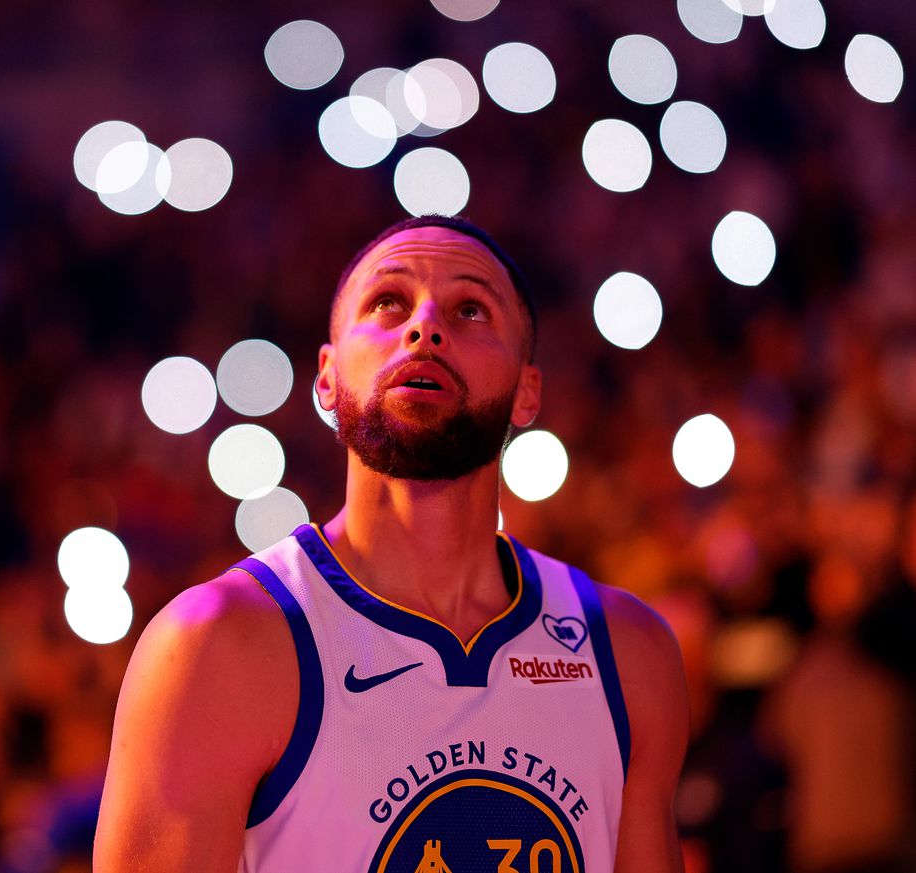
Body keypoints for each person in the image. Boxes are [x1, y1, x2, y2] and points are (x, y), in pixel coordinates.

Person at [93, 216, 689, 873]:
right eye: (388, 302)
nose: (424, 327)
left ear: (527, 390)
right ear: (327, 375)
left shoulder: (629, 651)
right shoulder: (215, 644)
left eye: (470, 309)